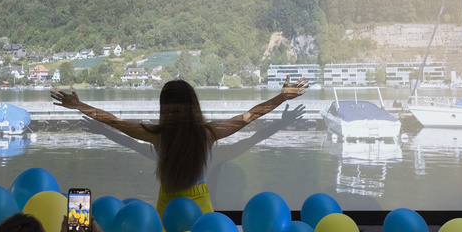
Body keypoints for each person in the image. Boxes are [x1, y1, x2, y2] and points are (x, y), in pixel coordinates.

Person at [51, 77, 310, 214]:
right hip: (199, 205)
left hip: (168, 205)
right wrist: (280, 97)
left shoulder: (158, 133)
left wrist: (80, 106)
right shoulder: (208, 132)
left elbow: (114, 121)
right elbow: (250, 116)